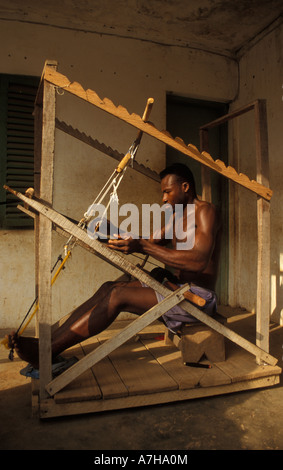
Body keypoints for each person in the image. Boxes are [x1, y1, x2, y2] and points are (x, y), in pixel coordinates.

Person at [7, 163, 221, 370]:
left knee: (117, 296)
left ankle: (48, 352)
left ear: (185, 187)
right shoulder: (177, 215)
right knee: (109, 287)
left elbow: (198, 261)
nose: (163, 198)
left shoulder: (205, 212)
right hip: (177, 289)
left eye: (167, 192)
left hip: (198, 298)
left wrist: (143, 246)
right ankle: (46, 344)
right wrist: (113, 235)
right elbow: (150, 242)